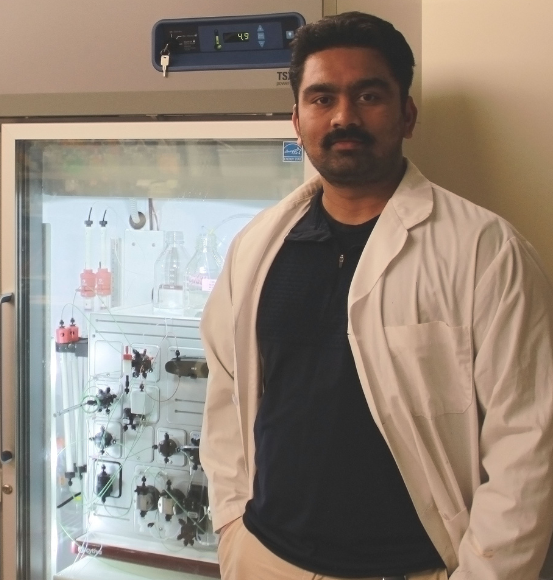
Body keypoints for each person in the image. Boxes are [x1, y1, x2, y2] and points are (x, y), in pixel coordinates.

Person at [200, 11, 553, 580]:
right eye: (321, 99)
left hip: (413, 567)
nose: (344, 116)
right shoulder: (256, 247)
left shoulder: (486, 251)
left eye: (368, 95)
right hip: (264, 558)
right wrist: (231, 527)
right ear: (296, 119)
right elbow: (226, 395)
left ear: (407, 114)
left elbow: (528, 445)